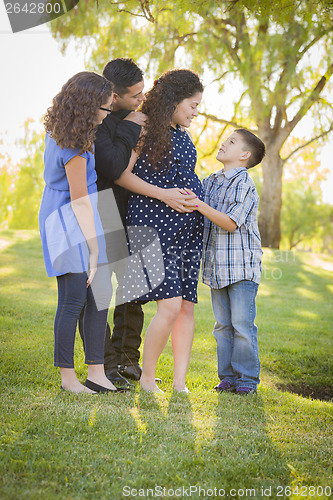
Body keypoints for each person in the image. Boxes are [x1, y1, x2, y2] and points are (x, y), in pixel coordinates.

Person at [81, 58, 196, 389]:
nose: (142, 99)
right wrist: (134, 124)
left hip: (131, 209)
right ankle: (102, 365)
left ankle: (127, 359)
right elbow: (114, 167)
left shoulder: (147, 120)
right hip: (104, 207)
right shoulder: (101, 121)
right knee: (100, 290)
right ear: (115, 96)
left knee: (133, 292)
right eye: (136, 95)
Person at [119, 68, 204, 392]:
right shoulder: (141, 124)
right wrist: (165, 195)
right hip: (152, 225)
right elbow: (122, 175)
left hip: (187, 229)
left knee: (185, 307)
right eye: (193, 105)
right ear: (174, 99)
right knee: (168, 306)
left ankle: (179, 382)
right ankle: (147, 378)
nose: (196, 112)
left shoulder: (183, 133)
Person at [39, 71, 121, 394]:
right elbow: (79, 201)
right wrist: (95, 249)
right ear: (89, 107)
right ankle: (68, 379)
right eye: (104, 110)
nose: (106, 117)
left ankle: (97, 373)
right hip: (67, 220)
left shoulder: (70, 131)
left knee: (100, 293)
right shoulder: (72, 142)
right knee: (73, 298)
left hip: (83, 216)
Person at [187, 129, 266, 395]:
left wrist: (198, 204)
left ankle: (246, 380)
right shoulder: (212, 181)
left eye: (231, 142)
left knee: (242, 325)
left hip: (241, 267)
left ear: (244, 155)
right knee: (222, 326)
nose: (223, 143)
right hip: (216, 267)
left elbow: (230, 223)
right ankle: (228, 377)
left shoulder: (243, 182)